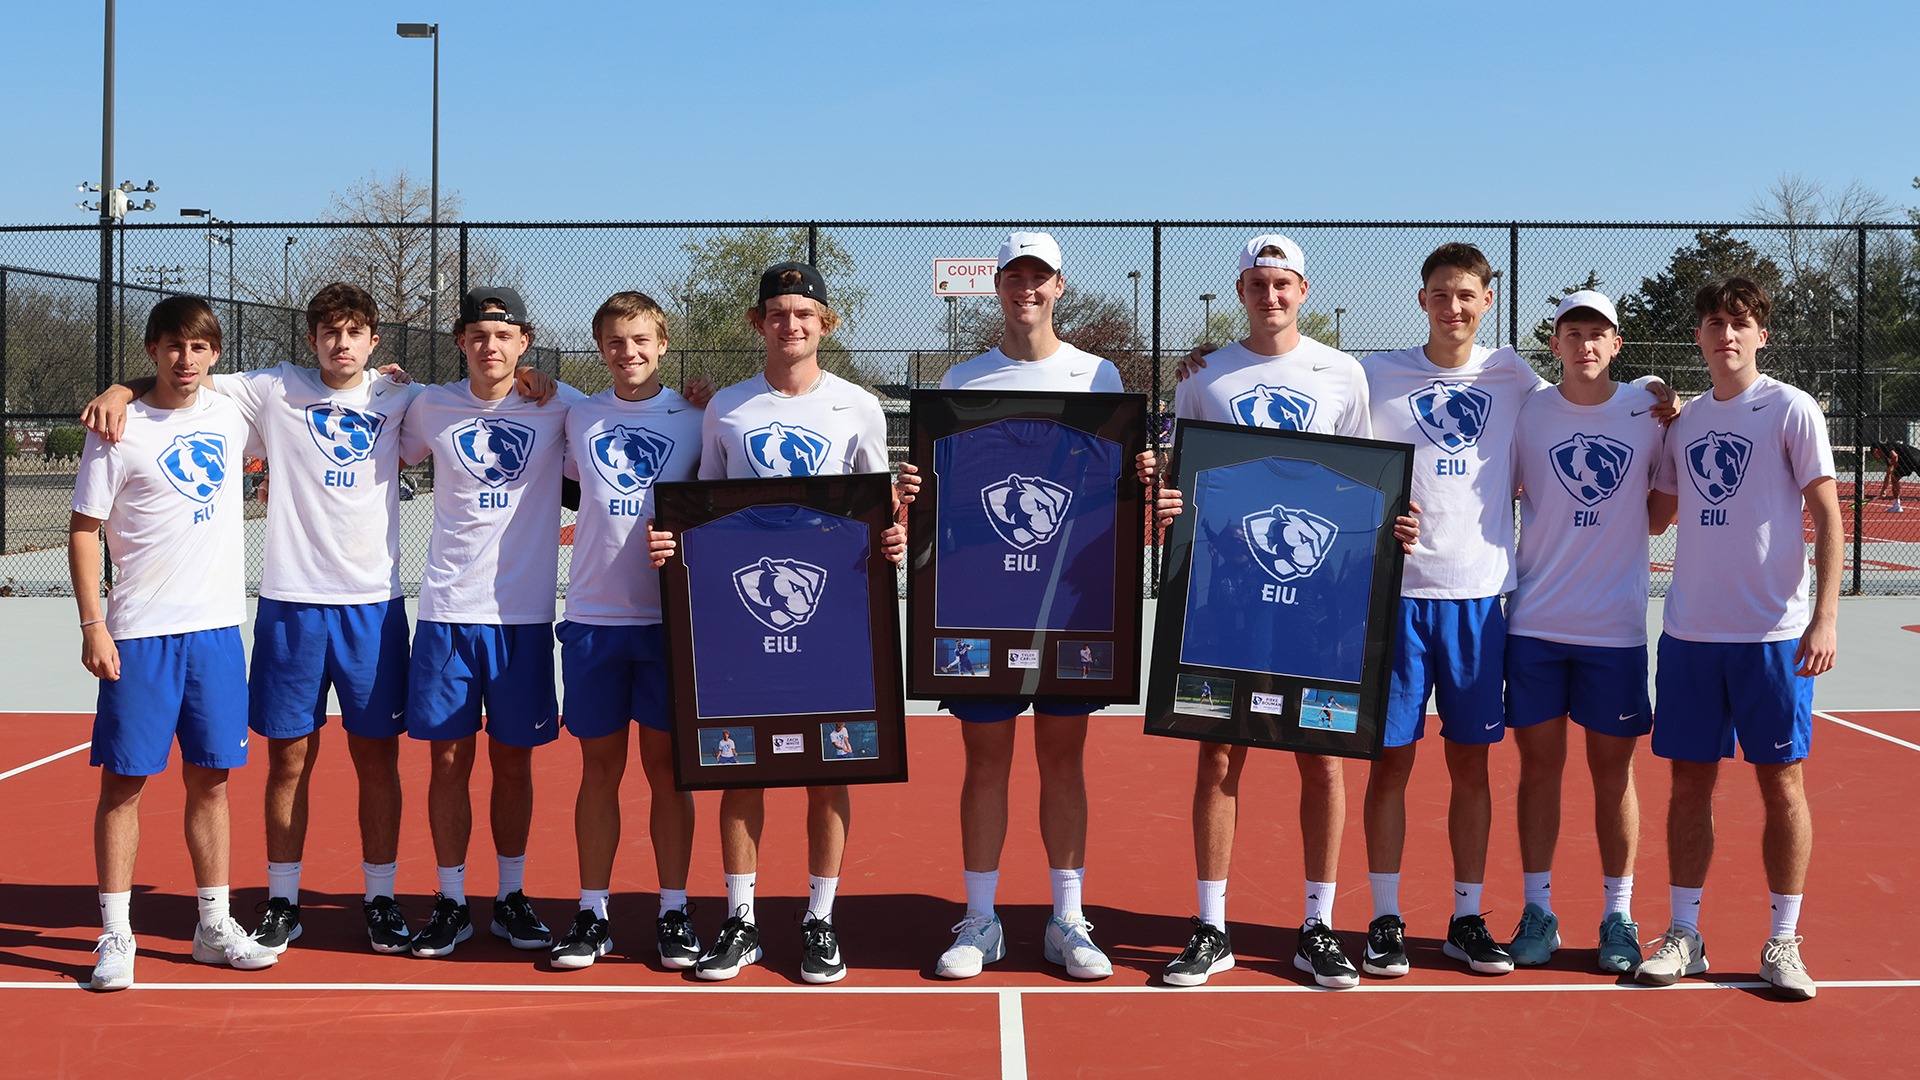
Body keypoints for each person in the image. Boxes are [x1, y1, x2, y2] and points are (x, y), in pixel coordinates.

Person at [651, 260, 904, 985]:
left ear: (826, 323)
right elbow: (703, 510)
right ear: (758, 322)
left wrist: (892, 534)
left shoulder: (859, 406)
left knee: (829, 769)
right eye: (778, 312)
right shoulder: (728, 408)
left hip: (833, 613)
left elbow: (877, 505)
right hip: (743, 613)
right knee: (742, 765)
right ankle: (742, 921)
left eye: (804, 313)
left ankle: (820, 919)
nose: (791, 324)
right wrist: (673, 544)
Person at [1156, 234, 1377, 989]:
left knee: (1323, 756)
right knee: (1219, 754)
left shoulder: (1342, 372)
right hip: (1227, 593)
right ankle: (1211, 927)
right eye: (1258, 283)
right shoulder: (1204, 373)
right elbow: (1184, 472)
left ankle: (1318, 926)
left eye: (1283, 284)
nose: (1271, 296)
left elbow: (1361, 480)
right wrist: (1171, 505)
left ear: (1303, 291)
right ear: (1241, 290)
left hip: (1318, 600)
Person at [915, 232, 1134, 983]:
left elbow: (1108, 485)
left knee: (1063, 758)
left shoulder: (1099, 376)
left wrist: (1140, 476)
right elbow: (951, 492)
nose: (1027, 290)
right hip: (985, 596)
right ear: (999, 286)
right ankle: (981, 919)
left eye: (1040, 277)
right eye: (1015, 277)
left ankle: (1068, 919)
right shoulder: (963, 379)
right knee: (985, 760)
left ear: (1059, 286)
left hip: (1067, 600)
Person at [1635, 277, 1840, 1002]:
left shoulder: (1791, 408)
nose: (1726, 334)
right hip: (1691, 633)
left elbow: (1828, 515)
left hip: (1772, 635)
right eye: (1715, 323)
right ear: (1698, 336)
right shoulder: (1684, 423)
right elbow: (1655, 516)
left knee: (1781, 783)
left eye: (1740, 323)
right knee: (1689, 784)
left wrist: (1825, 617)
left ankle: (1783, 940)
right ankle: (1684, 935)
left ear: (1761, 335)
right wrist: (1641, 418)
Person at [71, 296, 278, 990]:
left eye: (198, 347)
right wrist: (92, 624)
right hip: (139, 634)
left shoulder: (232, 411)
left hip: (217, 631)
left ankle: (213, 927)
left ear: (214, 354)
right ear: (153, 350)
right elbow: (84, 529)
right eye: (172, 346)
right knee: (124, 784)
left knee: (212, 781)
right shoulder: (117, 428)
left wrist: (381, 381)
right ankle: (116, 934)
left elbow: (320, 390)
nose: (185, 359)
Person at [397, 287, 580, 958]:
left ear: (524, 342)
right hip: (447, 612)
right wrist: (383, 383)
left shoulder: (560, 403)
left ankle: (510, 896)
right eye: (477, 335)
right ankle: (451, 900)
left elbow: (634, 408)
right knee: (447, 761)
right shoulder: (429, 405)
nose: (490, 346)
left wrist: (698, 400)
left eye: (503, 336)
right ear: (461, 343)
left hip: (521, 618)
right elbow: (380, 435)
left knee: (513, 763)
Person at [1503, 290, 1666, 972]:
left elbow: (1659, 514)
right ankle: (1537, 910)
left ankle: (1618, 916)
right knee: (1539, 771)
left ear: (1617, 344)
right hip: (1535, 624)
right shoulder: (1529, 411)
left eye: (1598, 333)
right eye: (1573, 333)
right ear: (1556, 344)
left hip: (1614, 630)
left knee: (1612, 775)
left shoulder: (1648, 411)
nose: (1585, 344)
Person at [549, 290, 704, 971]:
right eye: (615, 340)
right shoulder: (576, 415)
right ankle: (592, 912)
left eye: (641, 340)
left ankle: (674, 910)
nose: (628, 352)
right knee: (598, 771)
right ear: (600, 347)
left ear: (663, 344)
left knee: (668, 772)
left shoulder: (697, 419)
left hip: (669, 621)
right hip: (593, 617)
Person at [1867, 440, 1914, 512]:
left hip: (1910, 459)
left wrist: (1893, 468)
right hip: (1908, 461)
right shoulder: (1887, 457)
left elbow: (1895, 456)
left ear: (1876, 450)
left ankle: (1897, 506)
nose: (1875, 457)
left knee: (1894, 478)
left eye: (1874, 454)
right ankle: (1897, 506)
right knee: (1894, 479)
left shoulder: (1886, 448)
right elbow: (1888, 475)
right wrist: (1883, 490)